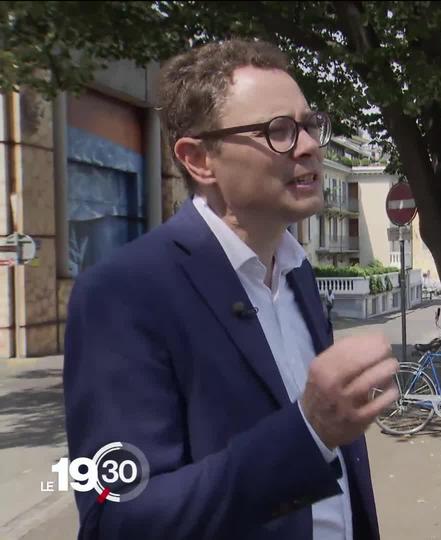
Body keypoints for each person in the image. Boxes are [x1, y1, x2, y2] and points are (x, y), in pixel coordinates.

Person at [63, 40, 399, 540]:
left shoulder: (298, 274)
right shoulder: (123, 295)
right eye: (278, 131)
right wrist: (308, 433)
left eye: (309, 125)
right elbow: (118, 517)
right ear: (199, 159)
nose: (308, 146)